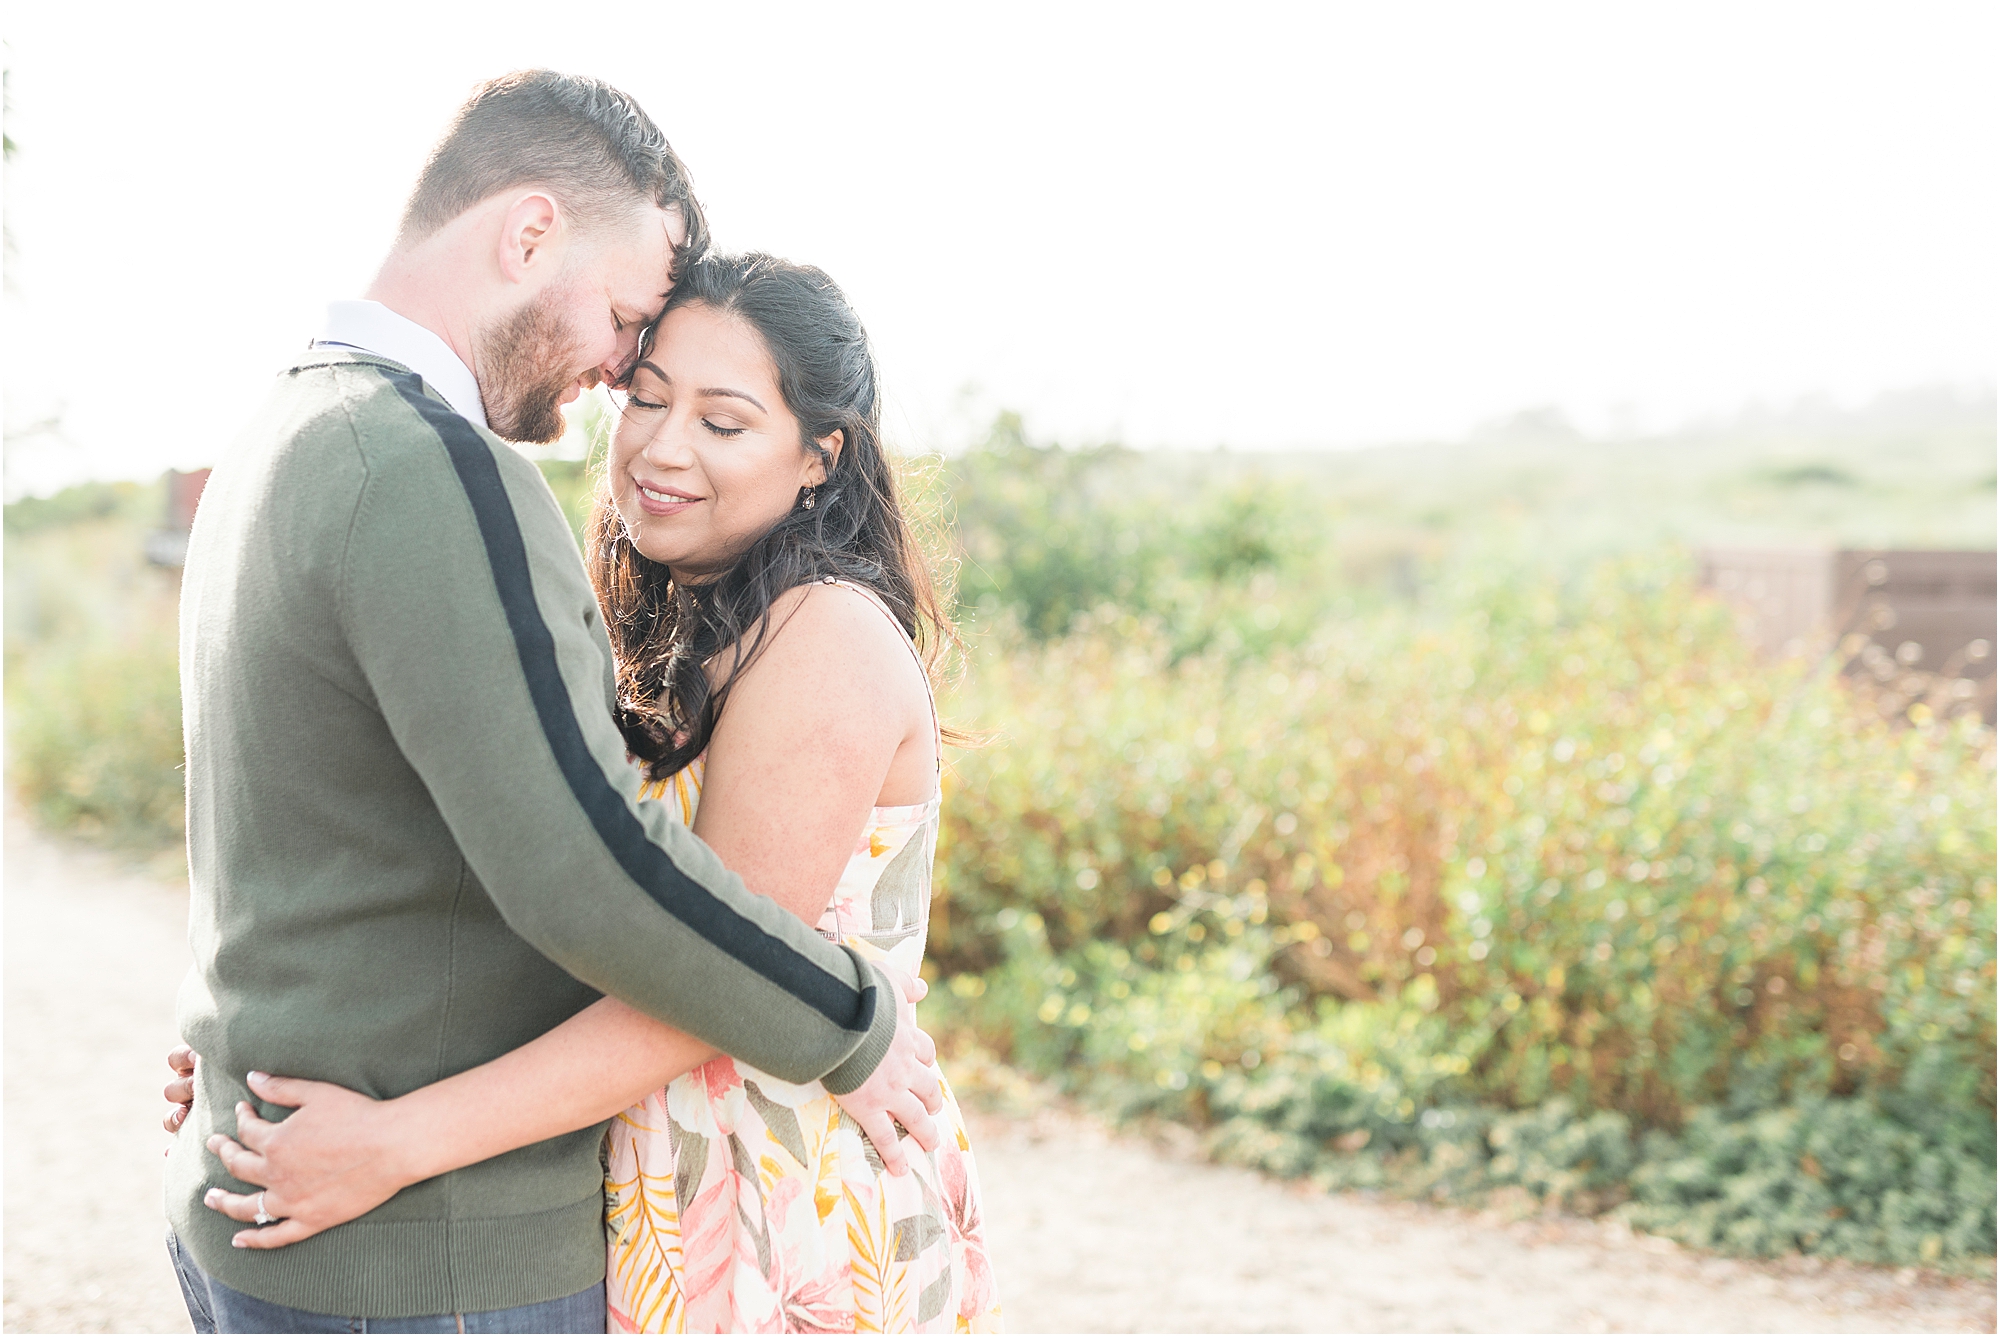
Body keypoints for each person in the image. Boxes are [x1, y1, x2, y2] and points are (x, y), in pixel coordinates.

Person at [165, 72, 942, 1334]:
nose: (622, 383)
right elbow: (578, 871)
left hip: (730, 1213)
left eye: (721, 415)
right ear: (528, 235)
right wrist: (845, 1018)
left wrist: (254, 1057)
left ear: (818, 455)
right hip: (426, 1246)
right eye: (635, 348)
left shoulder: (291, 428)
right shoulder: (428, 468)